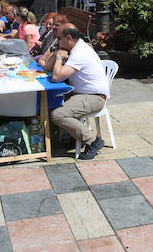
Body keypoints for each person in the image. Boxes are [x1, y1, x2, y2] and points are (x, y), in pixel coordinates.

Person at [42, 24, 111, 160]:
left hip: (94, 97)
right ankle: (64, 138)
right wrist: (57, 52)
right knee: (49, 104)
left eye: (58, 38)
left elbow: (56, 77)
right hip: (81, 94)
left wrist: (59, 58)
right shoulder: (73, 48)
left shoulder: (80, 52)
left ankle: (93, 140)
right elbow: (47, 67)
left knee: (58, 114)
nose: (56, 41)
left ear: (68, 37)